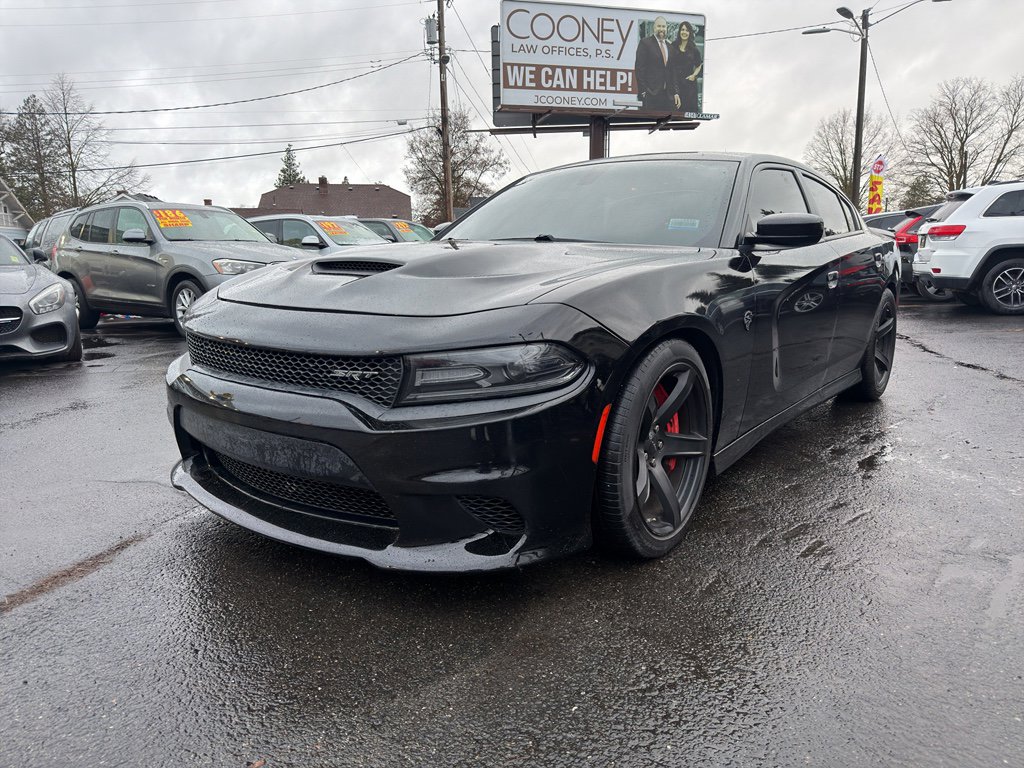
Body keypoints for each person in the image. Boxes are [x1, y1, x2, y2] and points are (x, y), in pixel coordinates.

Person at [634, 16, 674, 112]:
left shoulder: (670, 47)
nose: (661, 29)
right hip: (650, 94)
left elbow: (672, 71)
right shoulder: (645, 43)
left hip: (667, 95)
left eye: (664, 26)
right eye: (659, 26)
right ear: (654, 28)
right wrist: (643, 91)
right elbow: (639, 68)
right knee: (648, 124)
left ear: (666, 28)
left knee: (664, 125)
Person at [670, 21, 703, 114]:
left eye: (687, 30)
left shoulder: (694, 49)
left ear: (690, 33)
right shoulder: (673, 46)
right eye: (682, 30)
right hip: (675, 83)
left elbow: (698, 65)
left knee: (689, 113)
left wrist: (694, 75)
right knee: (675, 113)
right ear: (679, 31)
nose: (684, 32)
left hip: (689, 86)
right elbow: (669, 66)